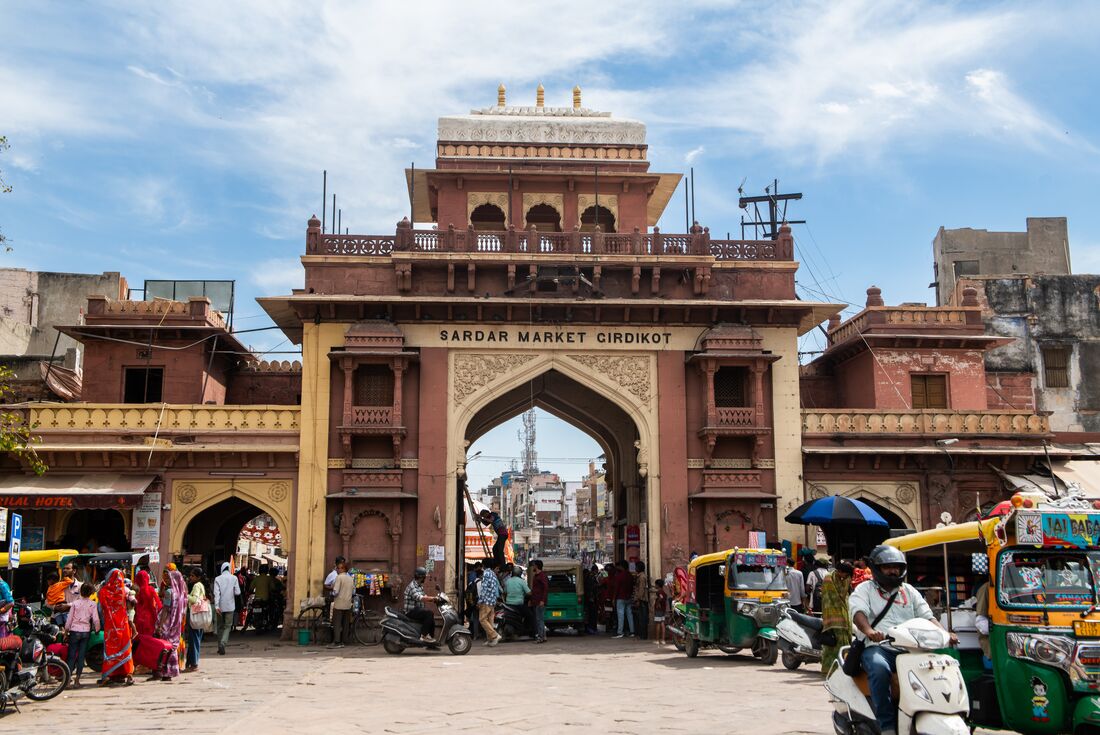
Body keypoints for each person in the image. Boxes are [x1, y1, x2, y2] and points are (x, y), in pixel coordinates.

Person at [850, 545, 957, 735]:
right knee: (879, 669)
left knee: (944, 666)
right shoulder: (864, 589)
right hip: (879, 647)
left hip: (911, 649)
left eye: (897, 567)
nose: (894, 571)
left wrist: (945, 634)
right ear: (876, 568)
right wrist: (869, 631)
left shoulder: (909, 591)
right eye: (887, 567)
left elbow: (927, 615)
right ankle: (887, 725)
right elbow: (858, 612)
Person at [98, 568, 135, 686]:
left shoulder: (103, 591)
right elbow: (133, 604)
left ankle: (110, 675)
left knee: (111, 650)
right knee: (125, 650)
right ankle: (128, 674)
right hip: (123, 626)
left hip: (110, 627)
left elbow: (100, 608)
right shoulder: (125, 590)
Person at [151, 568, 186, 681]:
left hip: (168, 623)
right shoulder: (182, 593)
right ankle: (172, 671)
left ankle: (164, 671)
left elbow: (166, 610)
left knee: (165, 646)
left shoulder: (169, 592)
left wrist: (160, 625)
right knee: (173, 647)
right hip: (177, 623)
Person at [820, 559, 853, 675]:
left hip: (845, 615)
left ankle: (844, 666)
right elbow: (832, 598)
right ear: (839, 570)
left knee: (846, 642)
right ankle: (830, 668)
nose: (845, 576)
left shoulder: (845, 579)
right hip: (833, 615)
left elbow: (846, 596)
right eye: (845, 573)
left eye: (848, 575)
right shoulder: (829, 578)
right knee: (834, 644)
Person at [64, 582, 100, 687]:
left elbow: (69, 619)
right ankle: (77, 681)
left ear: (81, 591)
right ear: (91, 593)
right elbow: (96, 619)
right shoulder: (93, 604)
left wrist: (66, 631)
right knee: (81, 656)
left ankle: (67, 680)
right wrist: (97, 629)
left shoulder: (75, 603)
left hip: (74, 631)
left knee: (71, 656)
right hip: (86, 632)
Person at [403, 567, 438, 643]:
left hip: (416, 609)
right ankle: (424, 636)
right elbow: (419, 597)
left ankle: (431, 641)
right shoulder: (412, 586)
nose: (425, 578)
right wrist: (433, 598)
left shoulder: (419, 585)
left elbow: (424, 596)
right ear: (421, 577)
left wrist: (434, 599)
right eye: (424, 577)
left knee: (431, 618)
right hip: (411, 611)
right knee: (429, 613)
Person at [213, 562, 241, 656]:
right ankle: (223, 643)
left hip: (220, 606)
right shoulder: (234, 578)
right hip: (230, 606)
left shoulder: (217, 579)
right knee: (228, 626)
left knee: (220, 626)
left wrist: (216, 606)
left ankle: (219, 646)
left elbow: (216, 594)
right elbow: (238, 592)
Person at [185, 567, 207, 673]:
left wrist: (186, 595)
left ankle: (193, 663)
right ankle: (191, 663)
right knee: (195, 639)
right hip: (199, 615)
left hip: (195, 615)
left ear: (198, 577)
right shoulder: (201, 585)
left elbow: (195, 600)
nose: (190, 577)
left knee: (194, 640)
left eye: (192, 576)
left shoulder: (197, 586)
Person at [330, 560, 354, 648]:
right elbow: (353, 591)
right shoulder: (350, 578)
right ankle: (345, 640)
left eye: (338, 568)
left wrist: (331, 594)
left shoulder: (339, 577)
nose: (336, 570)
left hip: (339, 604)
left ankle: (337, 641)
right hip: (347, 604)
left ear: (342, 569)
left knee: (337, 623)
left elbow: (335, 592)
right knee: (345, 624)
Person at [478, 560, 502, 647]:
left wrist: (480, 601)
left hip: (486, 600)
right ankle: (490, 640)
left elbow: (484, 589)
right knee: (490, 620)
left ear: (483, 565)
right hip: (492, 600)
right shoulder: (492, 574)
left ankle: (494, 635)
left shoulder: (486, 574)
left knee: (482, 619)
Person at [503, 564, 532, 635]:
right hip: (519, 605)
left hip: (508, 605)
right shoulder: (521, 581)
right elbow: (529, 593)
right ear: (520, 573)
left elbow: (505, 592)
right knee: (530, 615)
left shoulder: (508, 581)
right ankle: (529, 631)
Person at [133, 569, 162, 637]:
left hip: (138, 616)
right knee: (148, 637)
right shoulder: (151, 589)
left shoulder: (136, 590)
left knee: (139, 637)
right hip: (149, 617)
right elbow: (158, 604)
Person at [529, 560, 548, 644]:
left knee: (539, 620)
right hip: (536, 601)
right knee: (540, 619)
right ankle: (543, 636)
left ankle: (540, 637)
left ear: (536, 566)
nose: (533, 567)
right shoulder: (536, 576)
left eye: (533, 565)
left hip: (540, 601)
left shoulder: (542, 576)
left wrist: (542, 600)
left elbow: (545, 589)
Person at [613, 560, 634, 638]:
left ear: (621, 566)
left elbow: (616, 588)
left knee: (620, 615)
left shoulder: (619, 576)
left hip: (620, 597)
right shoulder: (630, 575)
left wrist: (614, 598)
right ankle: (632, 631)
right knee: (629, 615)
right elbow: (632, 587)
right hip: (628, 597)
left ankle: (620, 632)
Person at [632, 561, 649, 641]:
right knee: (641, 617)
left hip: (642, 600)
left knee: (642, 618)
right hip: (641, 599)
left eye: (636, 567)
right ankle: (642, 634)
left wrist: (638, 599)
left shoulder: (642, 577)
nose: (635, 568)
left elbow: (641, 589)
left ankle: (643, 635)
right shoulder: (640, 576)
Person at [584, 565, 599, 634]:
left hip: (591, 598)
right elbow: (590, 588)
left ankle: (591, 628)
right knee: (591, 614)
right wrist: (591, 598)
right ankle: (590, 628)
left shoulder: (591, 576)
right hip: (590, 599)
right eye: (597, 570)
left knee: (591, 613)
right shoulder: (590, 577)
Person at [653, 579, 668, 645]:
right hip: (663, 610)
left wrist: (658, 603)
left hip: (659, 610)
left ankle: (657, 640)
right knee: (662, 624)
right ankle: (663, 640)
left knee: (658, 624)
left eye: (655, 584)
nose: (655, 585)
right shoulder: (663, 592)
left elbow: (661, 597)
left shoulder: (659, 592)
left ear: (658, 585)